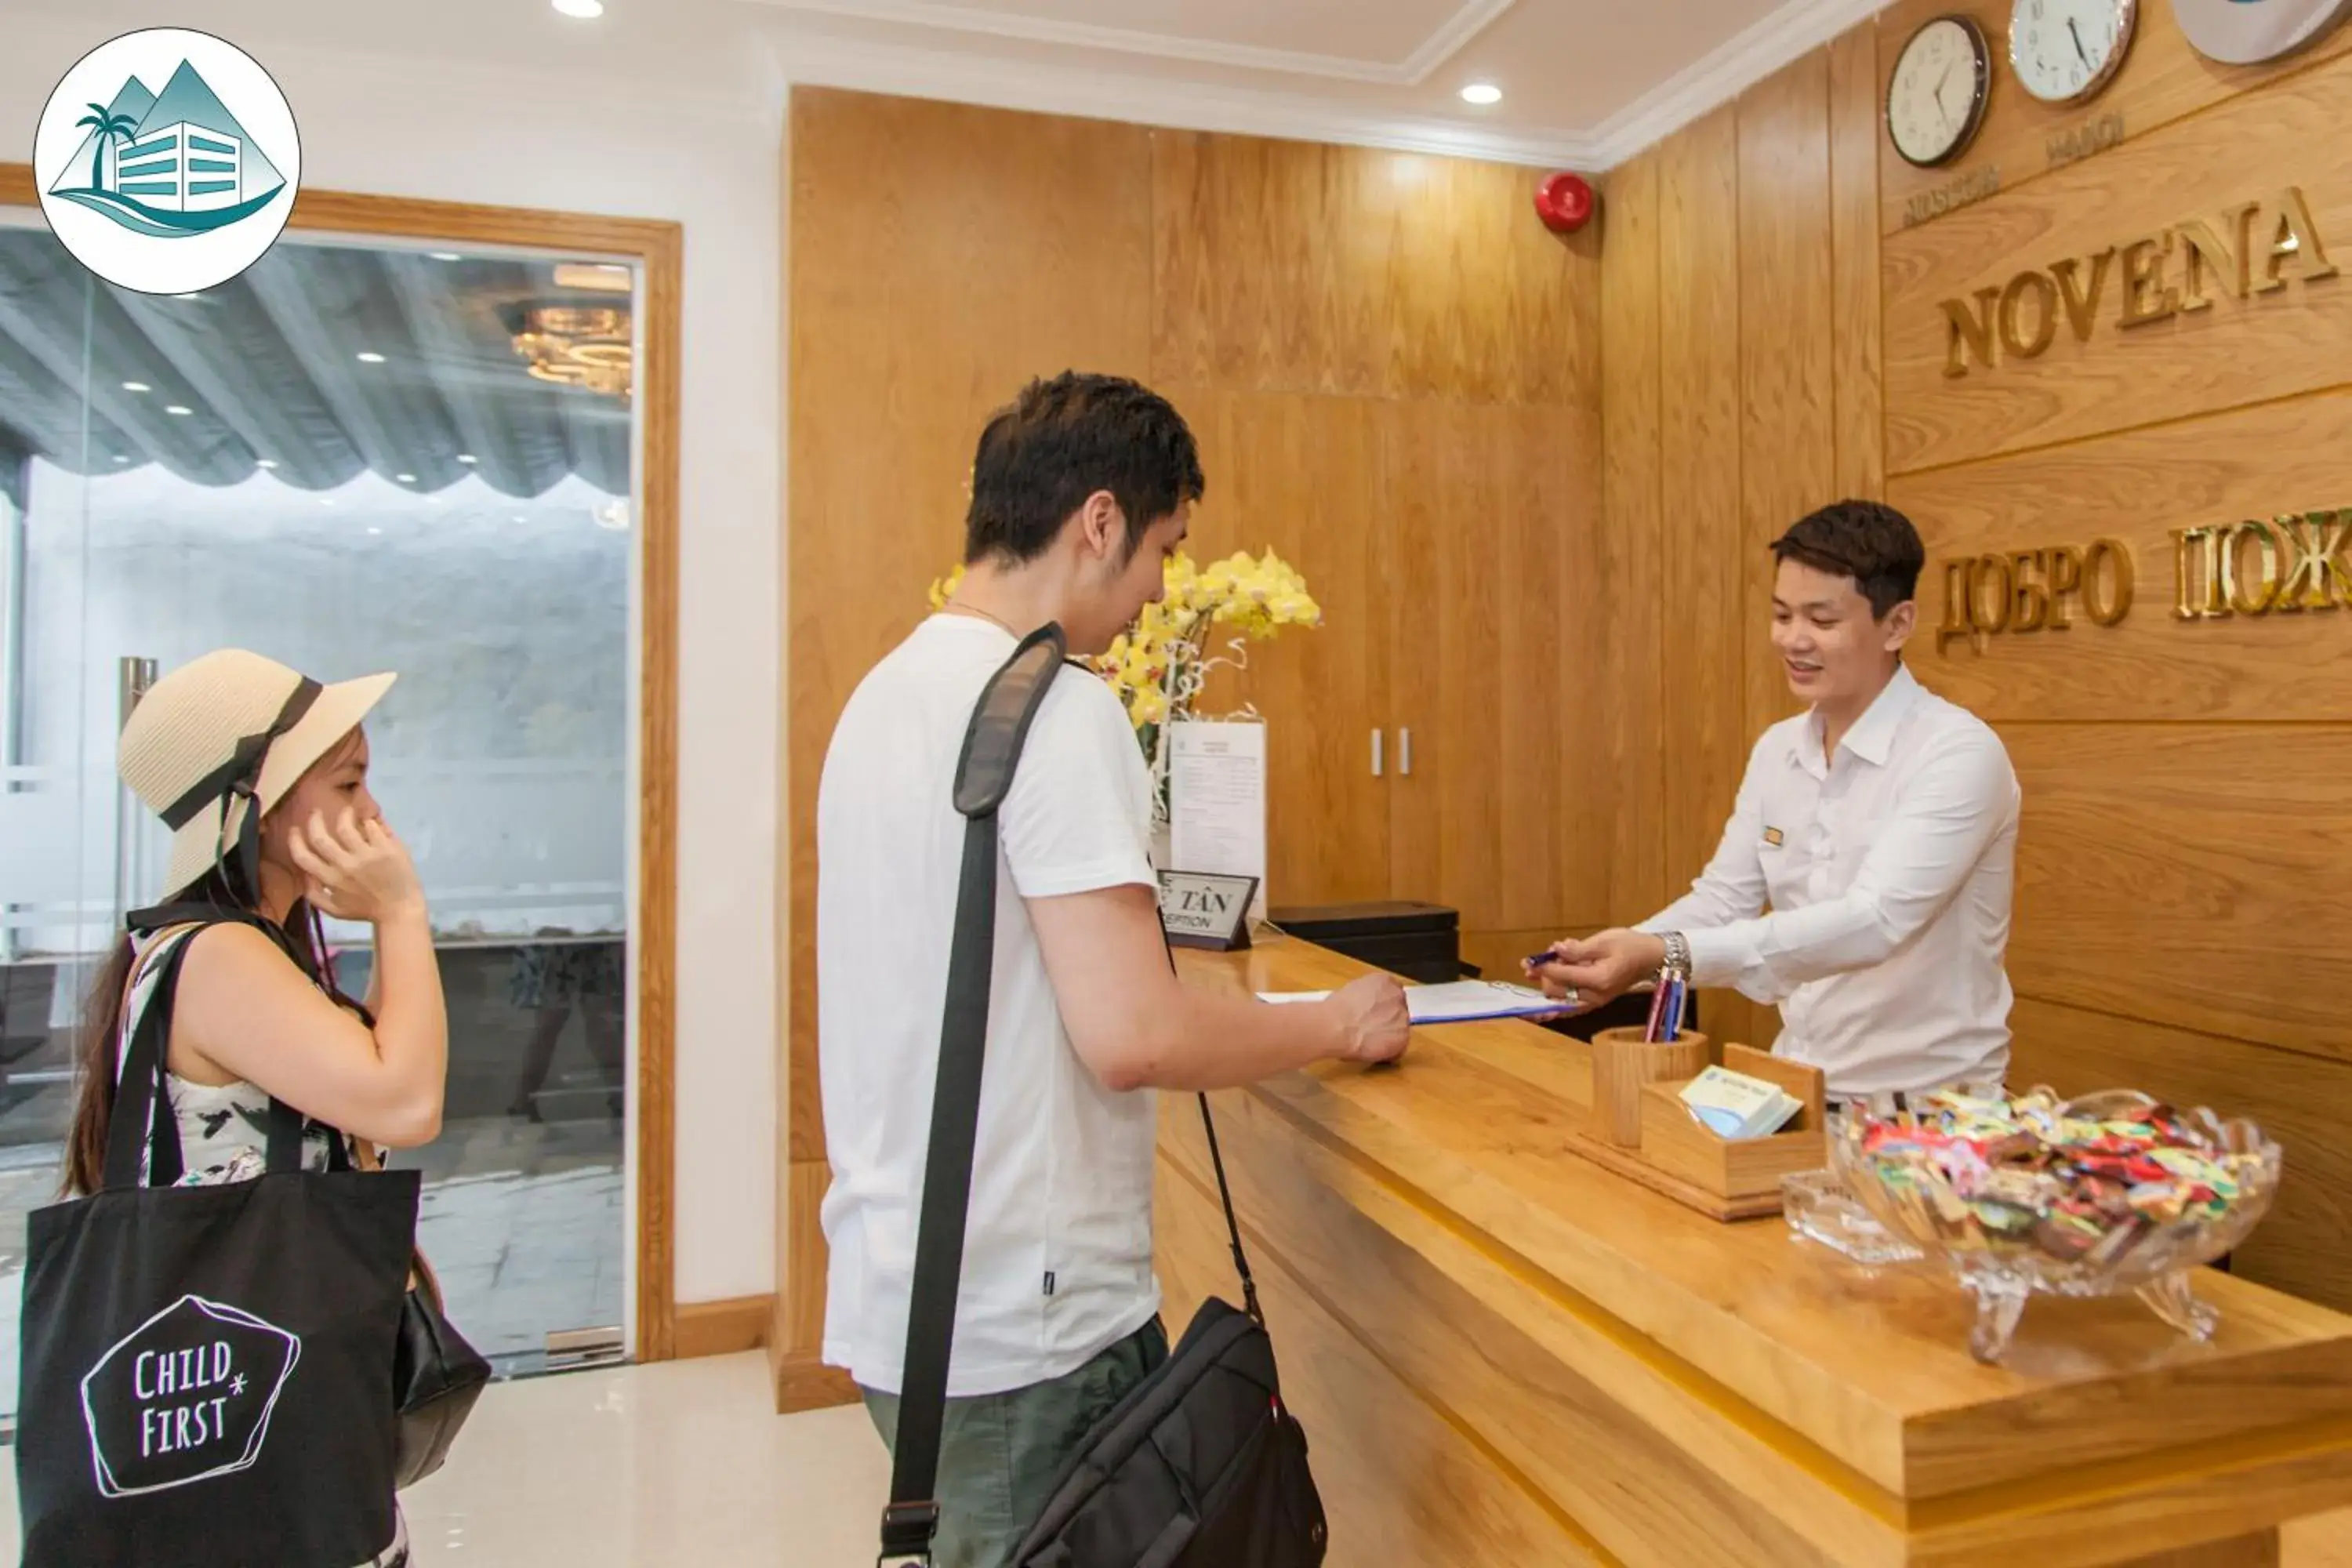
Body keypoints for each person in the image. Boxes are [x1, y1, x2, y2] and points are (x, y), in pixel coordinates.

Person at [817, 371, 1411, 1568]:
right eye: (1163, 550)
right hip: (1028, 1329)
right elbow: (1137, 1032)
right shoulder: (1055, 707)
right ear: (1098, 522)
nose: (1158, 592)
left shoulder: (885, 695)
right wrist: (1333, 1024)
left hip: (912, 1300)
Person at [64, 648, 448, 1568]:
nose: (375, 816)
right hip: (261, 1401)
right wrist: (400, 913)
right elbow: (406, 1099)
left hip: (260, 1378)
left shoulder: (220, 947)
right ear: (255, 810)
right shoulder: (220, 954)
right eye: (349, 783)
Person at [1532, 499, 2020, 1102]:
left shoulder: (1957, 754)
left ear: (1897, 625)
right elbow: (1724, 900)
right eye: (1782, 615)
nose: (1794, 640)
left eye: (1822, 619)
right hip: (1796, 1091)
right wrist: (1621, 951)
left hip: (1928, 1112)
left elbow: (1873, 922)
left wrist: (1663, 954)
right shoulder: (1778, 750)